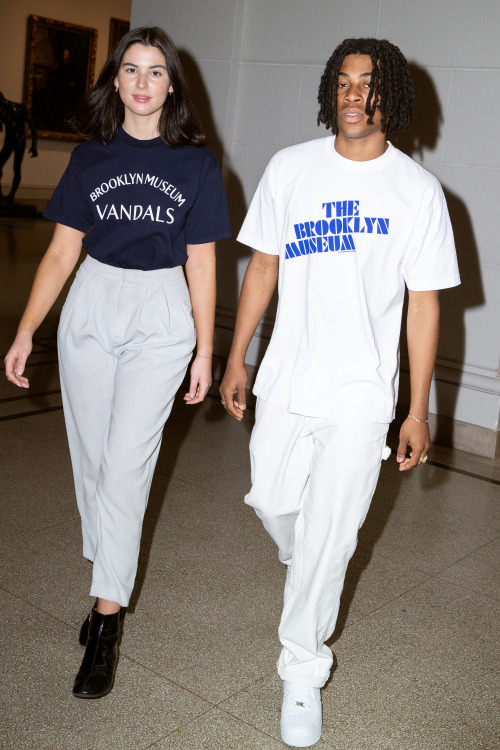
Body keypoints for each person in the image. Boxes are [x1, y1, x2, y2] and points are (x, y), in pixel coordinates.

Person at [220, 37, 459, 747]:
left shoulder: (417, 192)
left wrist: (416, 408)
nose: (355, 96)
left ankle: (302, 670)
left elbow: (425, 305)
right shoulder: (290, 168)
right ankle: (314, 567)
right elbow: (263, 267)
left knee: (329, 538)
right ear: (331, 92)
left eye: (370, 84)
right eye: (345, 83)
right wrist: (238, 357)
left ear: (394, 99)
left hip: (362, 396)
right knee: (270, 499)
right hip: (288, 378)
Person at [5, 26, 230, 699]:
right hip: (93, 301)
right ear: (116, 81)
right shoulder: (91, 157)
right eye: (130, 69)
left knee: (129, 464)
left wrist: (205, 349)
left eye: (154, 72)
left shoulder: (198, 164)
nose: (140, 82)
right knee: (94, 461)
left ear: (172, 85)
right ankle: (109, 572)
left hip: (161, 314)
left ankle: (106, 621)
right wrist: (24, 332)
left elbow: (205, 262)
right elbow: (59, 253)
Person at [0, 92, 38, 202]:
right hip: (8, 140)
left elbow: (32, 127)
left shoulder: (20, 109)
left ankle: (12, 194)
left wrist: (34, 146)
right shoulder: (2, 112)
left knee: (16, 167)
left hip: (19, 141)